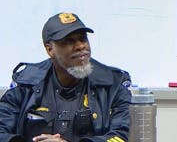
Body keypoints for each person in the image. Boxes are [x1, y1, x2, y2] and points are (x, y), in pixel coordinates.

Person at [0, 12, 131, 142]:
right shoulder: (26, 82)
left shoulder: (113, 84)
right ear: (50, 49)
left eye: (83, 38)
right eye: (69, 41)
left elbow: (119, 137)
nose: (80, 46)